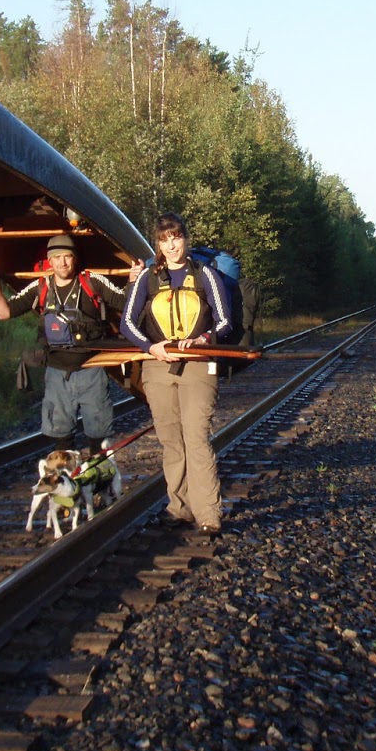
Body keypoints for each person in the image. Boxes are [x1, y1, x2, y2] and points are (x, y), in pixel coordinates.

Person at [121, 212, 234, 532]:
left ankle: (209, 513)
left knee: (196, 436)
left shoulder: (206, 275)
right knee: (171, 440)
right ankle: (179, 506)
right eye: (164, 240)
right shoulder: (147, 277)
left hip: (199, 364)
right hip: (157, 365)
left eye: (176, 238)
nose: (171, 245)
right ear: (158, 244)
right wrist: (149, 347)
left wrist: (203, 339)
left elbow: (225, 322)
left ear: (185, 239)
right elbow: (126, 323)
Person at [0, 233, 128, 458]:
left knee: (99, 437)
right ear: (50, 260)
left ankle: (99, 486)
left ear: (74, 258)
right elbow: (4, 312)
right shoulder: (40, 287)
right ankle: (66, 487)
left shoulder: (92, 282)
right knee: (61, 439)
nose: (62, 263)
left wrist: (135, 281)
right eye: (56, 257)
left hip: (92, 369)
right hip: (57, 373)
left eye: (67, 256)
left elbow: (125, 302)